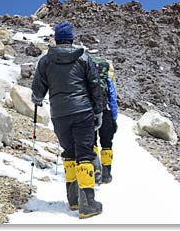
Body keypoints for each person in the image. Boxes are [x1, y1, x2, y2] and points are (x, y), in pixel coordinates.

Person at [31, 21, 103, 219]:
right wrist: (98, 112)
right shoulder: (83, 58)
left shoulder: (46, 60)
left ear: (56, 38)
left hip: (59, 114)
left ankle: (72, 200)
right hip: (82, 111)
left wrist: (37, 99)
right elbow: (95, 85)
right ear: (71, 38)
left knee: (69, 153)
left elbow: (38, 89)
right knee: (85, 154)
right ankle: (87, 203)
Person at [91, 58, 118, 184]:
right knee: (107, 143)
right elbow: (112, 98)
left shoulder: (87, 80)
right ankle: (106, 174)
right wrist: (114, 118)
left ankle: (95, 168)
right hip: (105, 112)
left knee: (92, 142)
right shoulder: (107, 80)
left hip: (90, 112)